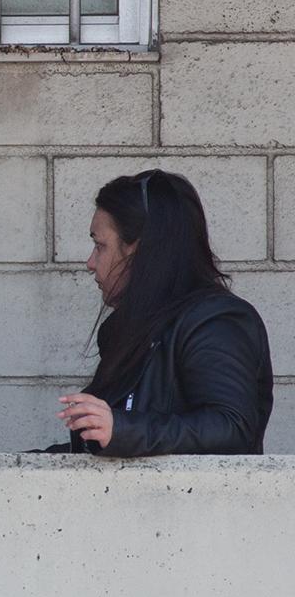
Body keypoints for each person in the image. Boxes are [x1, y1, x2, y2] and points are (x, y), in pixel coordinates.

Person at [55, 169, 272, 455]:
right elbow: (105, 451)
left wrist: (122, 429)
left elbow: (232, 427)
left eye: (100, 245)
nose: (90, 263)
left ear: (141, 250)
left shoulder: (216, 321)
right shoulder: (129, 330)